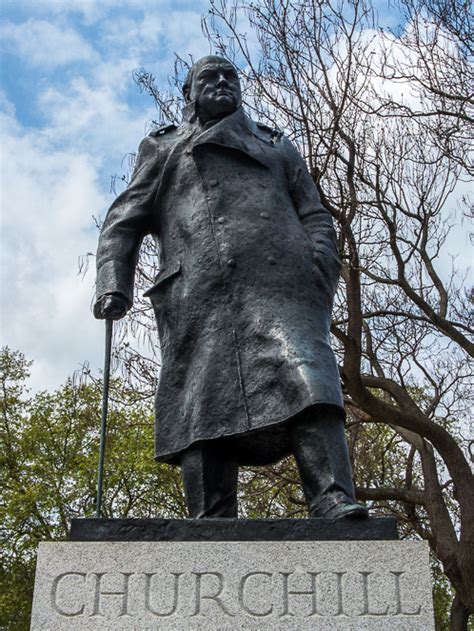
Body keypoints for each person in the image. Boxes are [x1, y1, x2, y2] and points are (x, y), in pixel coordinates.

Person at [94, 56, 368, 520]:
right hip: (199, 295)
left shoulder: (275, 146)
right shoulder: (164, 149)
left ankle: (332, 497)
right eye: (210, 78)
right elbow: (123, 221)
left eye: (230, 77)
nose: (222, 83)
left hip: (285, 288)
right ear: (189, 93)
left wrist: (320, 267)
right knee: (203, 399)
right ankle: (212, 516)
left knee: (312, 379)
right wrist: (112, 283)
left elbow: (315, 213)